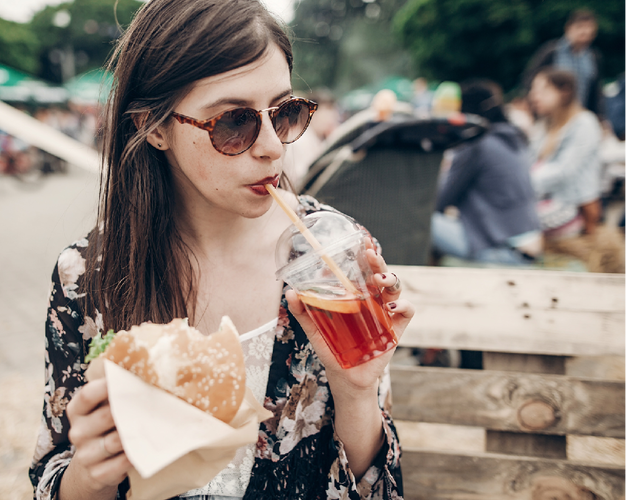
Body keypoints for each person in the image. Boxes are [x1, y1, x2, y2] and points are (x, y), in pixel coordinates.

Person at [29, 1, 414, 499]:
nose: (274, 147)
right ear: (156, 127)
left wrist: (357, 393)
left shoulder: (331, 256)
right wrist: (93, 469)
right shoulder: (90, 275)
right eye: (235, 122)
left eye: (285, 112)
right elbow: (54, 478)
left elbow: (379, 491)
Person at [431, 79, 542, 266]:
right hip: (530, 248)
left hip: (501, 250)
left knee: (415, 219)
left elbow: (440, 200)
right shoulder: (513, 138)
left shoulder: (476, 144)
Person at [528, 68, 602, 238]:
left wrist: (523, 184)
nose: (534, 96)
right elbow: (528, 162)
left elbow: (564, 171)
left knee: (516, 221)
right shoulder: (544, 125)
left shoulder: (584, 124)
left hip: (573, 207)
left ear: (565, 92)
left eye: (543, 90)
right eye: (533, 90)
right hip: (544, 202)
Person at [523, 8, 602, 118]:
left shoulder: (593, 57)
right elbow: (530, 79)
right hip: (551, 115)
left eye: (589, 29)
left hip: (579, 115)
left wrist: (600, 116)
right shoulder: (551, 52)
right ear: (569, 28)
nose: (585, 33)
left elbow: (595, 92)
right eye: (581, 28)